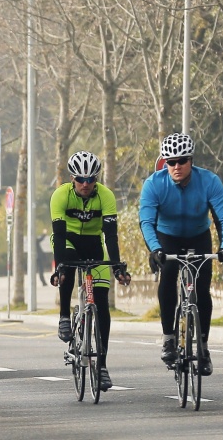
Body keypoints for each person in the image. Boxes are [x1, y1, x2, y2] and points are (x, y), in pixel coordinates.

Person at [138, 133, 223, 376]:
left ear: (191, 160)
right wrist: (155, 249)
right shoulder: (153, 184)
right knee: (169, 275)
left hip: (198, 236)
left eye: (182, 161)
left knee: (202, 290)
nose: (176, 166)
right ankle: (169, 338)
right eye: (171, 162)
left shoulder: (209, 181)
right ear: (165, 163)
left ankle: (203, 347)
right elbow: (147, 221)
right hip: (167, 237)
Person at [50, 150, 131, 391]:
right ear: (73, 178)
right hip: (68, 241)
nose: (86, 184)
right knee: (67, 263)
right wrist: (59, 267)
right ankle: (65, 316)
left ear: (96, 179)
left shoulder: (105, 196)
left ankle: (102, 366)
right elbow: (60, 232)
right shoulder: (60, 196)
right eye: (81, 179)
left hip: (95, 244)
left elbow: (111, 236)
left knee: (102, 303)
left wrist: (116, 267)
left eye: (91, 179)